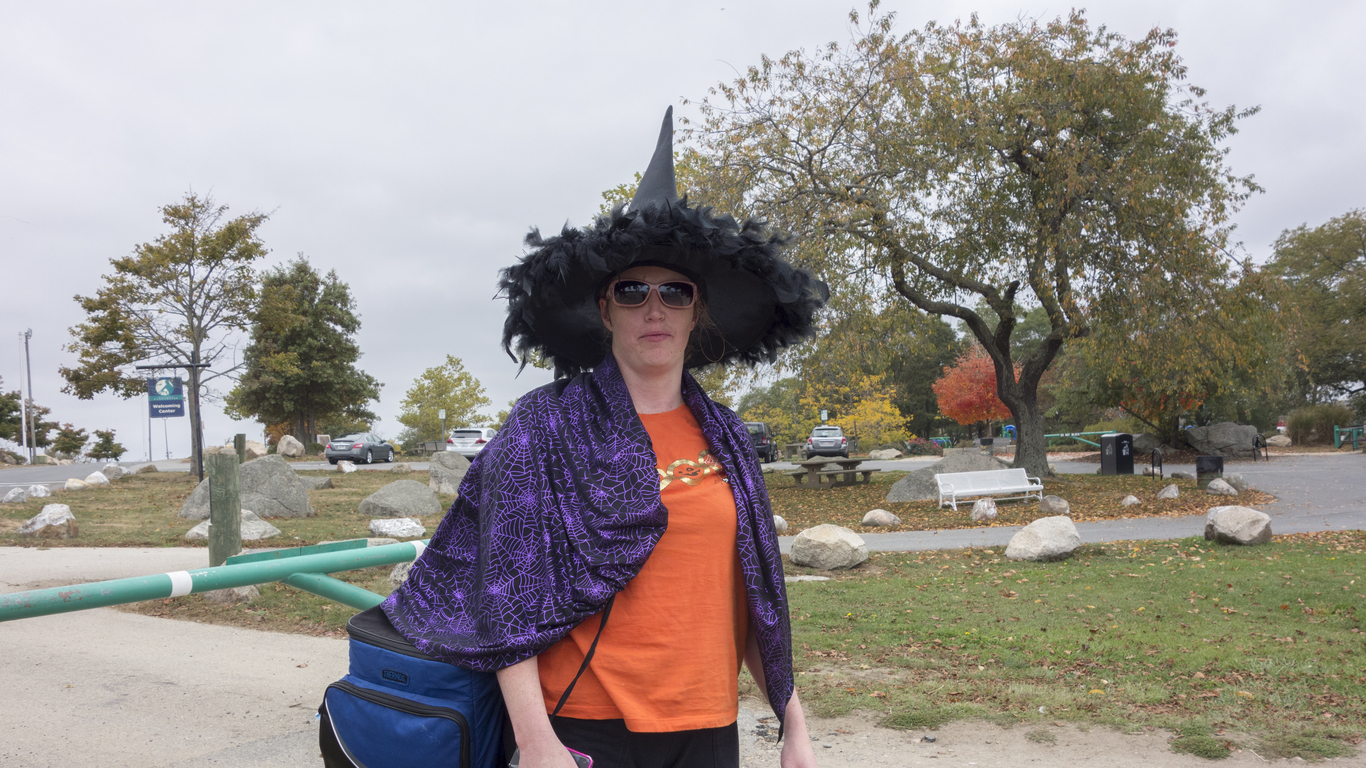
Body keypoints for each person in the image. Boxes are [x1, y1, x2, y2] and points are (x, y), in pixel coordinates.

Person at [382, 108, 828, 768]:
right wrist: (536, 743)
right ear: (605, 308)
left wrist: (795, 727)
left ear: (697, 312)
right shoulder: (544, 426)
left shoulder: (730, 438)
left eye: (676, 293)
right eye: (633, 290)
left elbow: (755, 593)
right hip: (581, 733)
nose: (655, 308)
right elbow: (504, 594)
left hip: (708, 730)